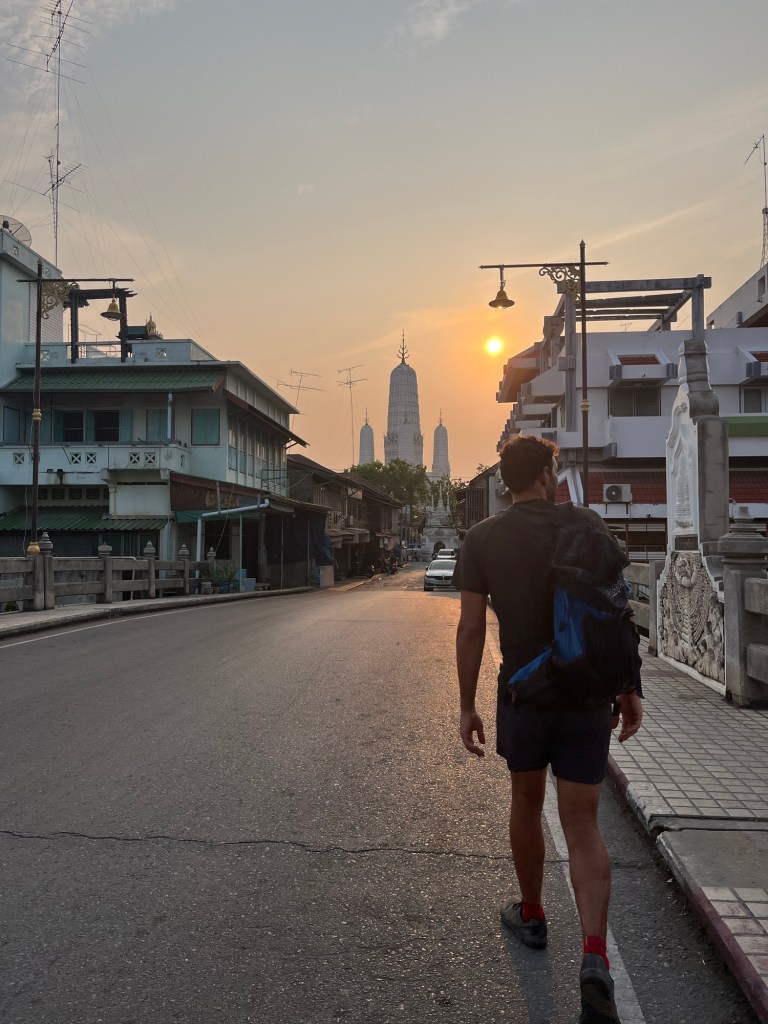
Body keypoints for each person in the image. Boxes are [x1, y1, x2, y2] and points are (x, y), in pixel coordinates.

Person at [455, 435, 643, 1024]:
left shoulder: (482, 538)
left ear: (506, 481)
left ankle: (533, 914)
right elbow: (617, 608)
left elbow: (470, 628)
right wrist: (629, 686)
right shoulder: (585, 523)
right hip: (585, 695)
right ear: (545, 474)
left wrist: (466, 705)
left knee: (526, 801)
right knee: (582, 824)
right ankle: (594, 955)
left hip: (524, 693)